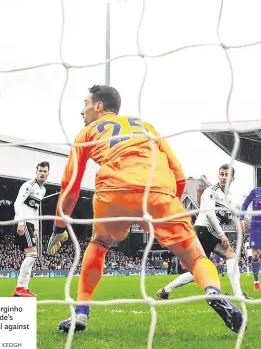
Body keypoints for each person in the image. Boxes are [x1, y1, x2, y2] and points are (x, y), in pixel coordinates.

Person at [47, 85, 245, 334]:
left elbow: (70, 187)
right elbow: (179, 174)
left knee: (98, 245)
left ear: (98, 106)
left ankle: (81, 313)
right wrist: (165, 205)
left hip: (114, 190)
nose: (81, 110)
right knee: (196, 258)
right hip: (158, 188)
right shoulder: (145, 125)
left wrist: (59, 227)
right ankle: (213, 291)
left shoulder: (86, 132)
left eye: (84, 103)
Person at [157, 164, 251, 300]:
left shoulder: (229, 197)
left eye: (227, 175)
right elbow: (210, 214)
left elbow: (226, 216)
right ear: (218, 175)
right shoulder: (211, 191)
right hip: (204, 230)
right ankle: (238, 295)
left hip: (207, 232)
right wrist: (221, 234)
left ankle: (166, 290)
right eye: (222, 174)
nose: (224, 177)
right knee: (231, 255)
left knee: (198, 270)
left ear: (232, 178)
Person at [13, 161, 49, 297]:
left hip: (30, 223)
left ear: (48, 173)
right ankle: (20, 288)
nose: (42, 173)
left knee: (32, 255)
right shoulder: (28, 185)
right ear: (36, 171)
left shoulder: (43, 190)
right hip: (23, 221)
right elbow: (17, 203)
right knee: (32, 254)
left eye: (45, 171)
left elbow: (35, 210)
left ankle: (23, 288)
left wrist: (36, 228)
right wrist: (20, 222)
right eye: (40, 171)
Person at [240, 187, 261, 290]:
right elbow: (244, 205)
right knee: (256, 255)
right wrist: (242, 218)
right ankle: (256, 281)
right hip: (256, 227)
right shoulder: (255, 191)